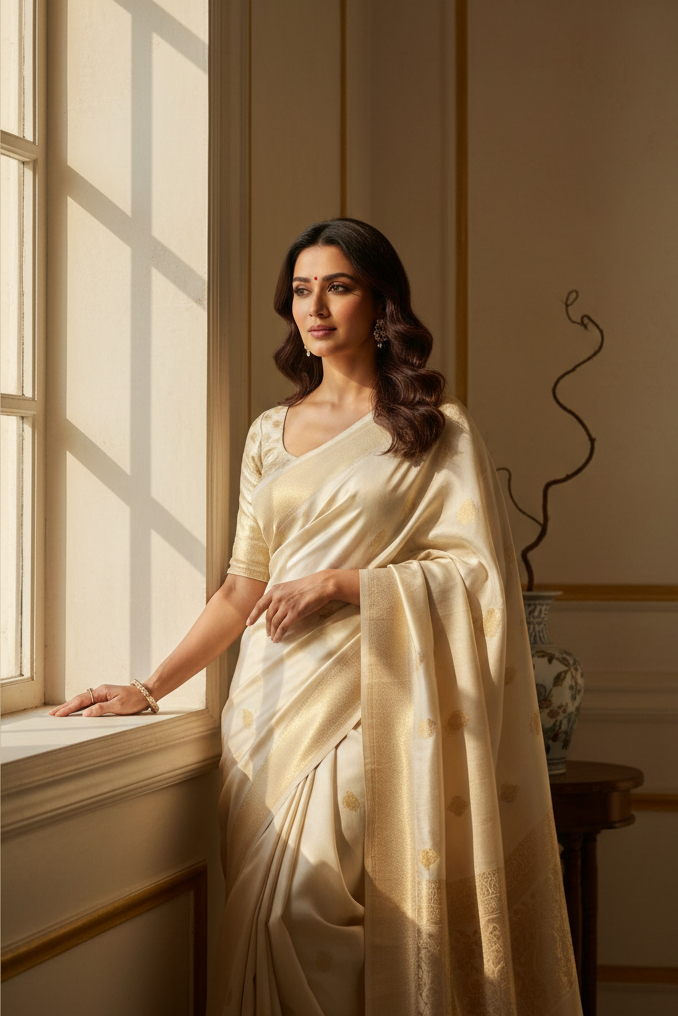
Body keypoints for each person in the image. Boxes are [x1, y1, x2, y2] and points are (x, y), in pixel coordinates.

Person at [51, 219, 582, 1016]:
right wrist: (148, 687)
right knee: (269, 912)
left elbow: (475, 578)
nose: (316, 307)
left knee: (308, 910)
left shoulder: (436, 429)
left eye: (339, 287)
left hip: (376, 700)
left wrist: (339, 584)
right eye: (302, 290)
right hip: (269, 707)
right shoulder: (271, 432)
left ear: (380, 303)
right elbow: (241, 589)